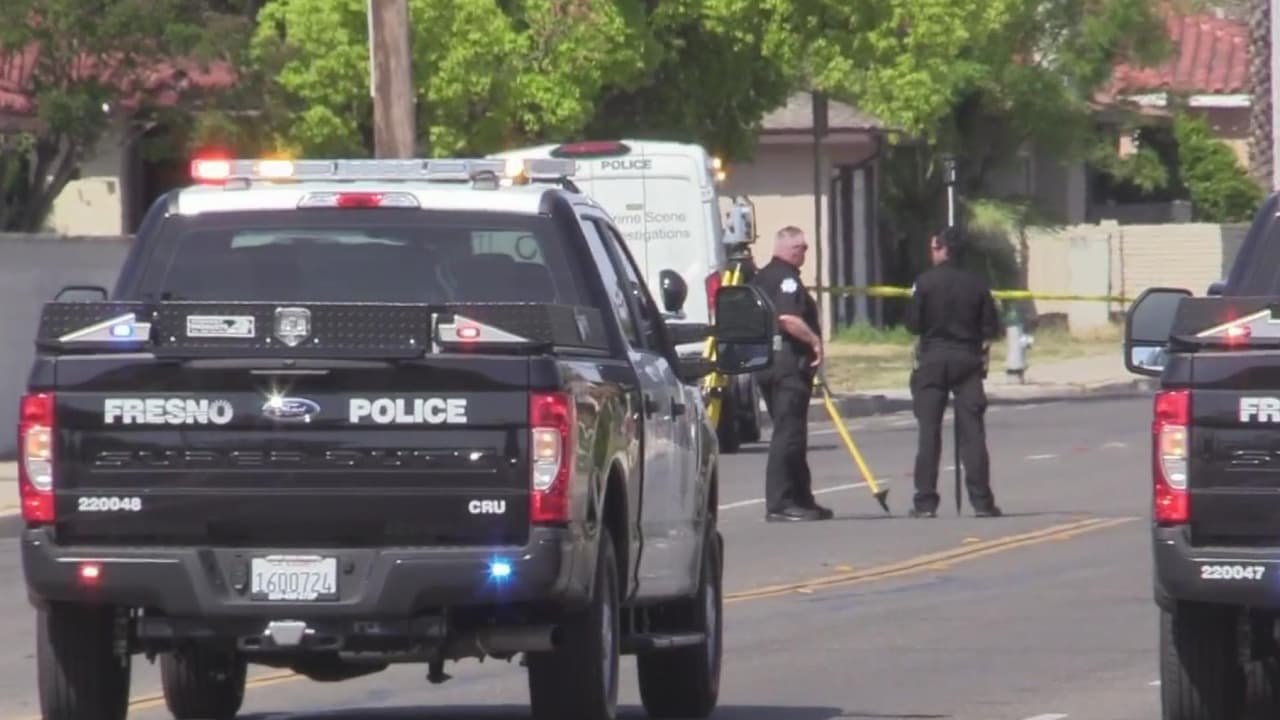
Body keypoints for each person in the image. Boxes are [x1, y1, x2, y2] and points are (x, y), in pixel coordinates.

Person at [904, 226, 1003, 518]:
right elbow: (991, 327)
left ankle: (925, 502)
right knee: (972, 433)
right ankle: (982, 502)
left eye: (935, 247)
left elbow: (912, 324)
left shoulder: (924, 282)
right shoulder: (977, 284)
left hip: (933, 359)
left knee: (929, 433)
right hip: (967, 359)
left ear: (944, 250)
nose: (932, 252)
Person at [750, 226, 833, 522]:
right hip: (787, 367)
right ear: (791, 249)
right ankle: (780, 503)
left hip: (768, 364)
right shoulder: (785, 279)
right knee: (788, 435)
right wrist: (814, 341)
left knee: (793, 433)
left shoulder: (762, 277)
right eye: (802, 248)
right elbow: (787, 318)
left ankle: (801, 498)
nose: (805, 253)